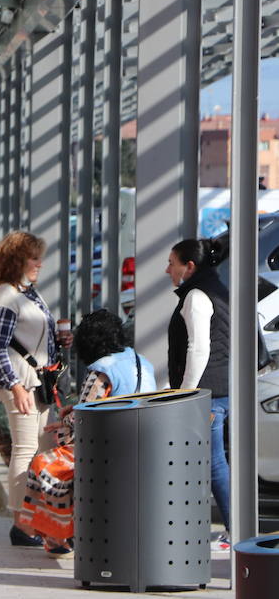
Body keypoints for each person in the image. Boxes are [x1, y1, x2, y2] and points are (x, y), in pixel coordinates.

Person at [22, 309, 155, 554]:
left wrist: (63, 423)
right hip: (142, 444)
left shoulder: (100, 370)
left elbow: (86, 417)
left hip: (108, 449)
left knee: (44, 465)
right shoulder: (141, 361)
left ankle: (59, 534)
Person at [0, 230, 68, 548]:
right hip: (22, 382)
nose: (39, 264)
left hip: (36, 381)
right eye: (33, 258)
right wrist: (14, 386)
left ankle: (38, 519)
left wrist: (59, 342)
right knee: (25, 449)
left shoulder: (26, 292)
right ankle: (20, 523)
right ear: (18, 259)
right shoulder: (6, 294)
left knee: (42, 449)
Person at [166, 236, 232, 545]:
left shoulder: (196, 296)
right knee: (214, 462)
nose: (168, 270)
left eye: (172, 263)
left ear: (189, 266)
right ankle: (235, 530)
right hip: (222, 389)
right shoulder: (217, 288)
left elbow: (199, 348)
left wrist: (185, 393)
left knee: (213, 463)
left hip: (206, 394)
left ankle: (236, 531)